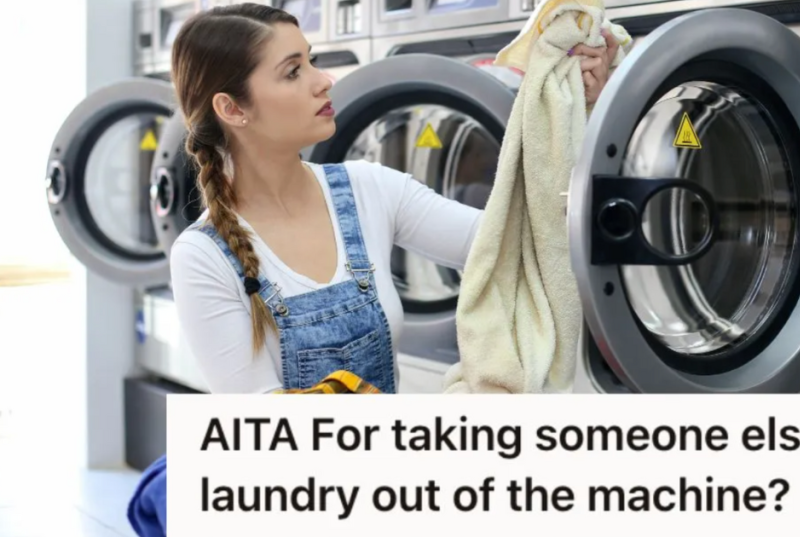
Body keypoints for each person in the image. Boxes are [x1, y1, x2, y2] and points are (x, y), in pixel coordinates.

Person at [167, 2, 619, 396]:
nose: (323, 81)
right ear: (232, 109)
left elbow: (511, 241)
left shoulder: (368, 189)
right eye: (293, 71)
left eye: (313, 61)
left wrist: (572, 110)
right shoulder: (204, 256)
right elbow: (262, 429)